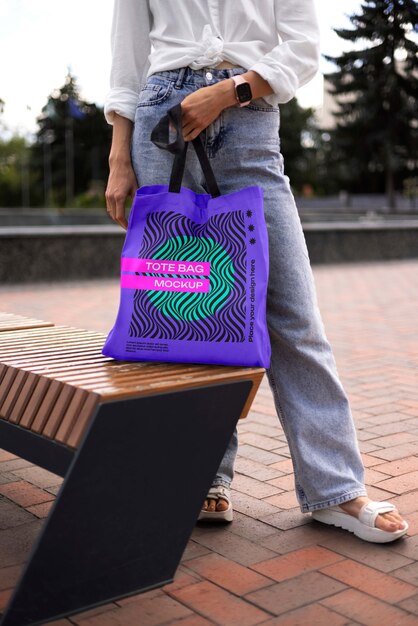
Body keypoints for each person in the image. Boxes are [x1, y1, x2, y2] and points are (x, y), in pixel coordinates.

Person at [104, 0, 408, 543]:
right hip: (161, 127)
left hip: (249, 123)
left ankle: (335, 488)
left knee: (293, 313)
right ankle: (202, 477)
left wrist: (229, 91)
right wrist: (118, 159)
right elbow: (126, 66)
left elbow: (302, 47)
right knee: (182, 313)